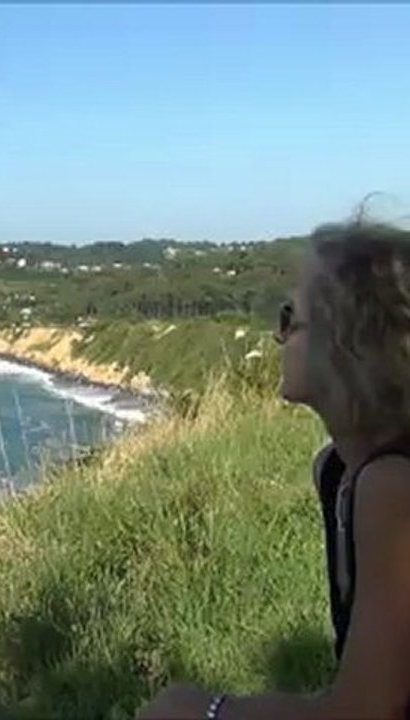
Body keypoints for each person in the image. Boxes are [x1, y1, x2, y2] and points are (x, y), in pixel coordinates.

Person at [138, 219, 410, 719]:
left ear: (345, 337)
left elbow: (368, 710)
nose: (277, 335)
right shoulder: (337, 471)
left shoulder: (391, 485)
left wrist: (207, 712)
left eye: (290, 318)